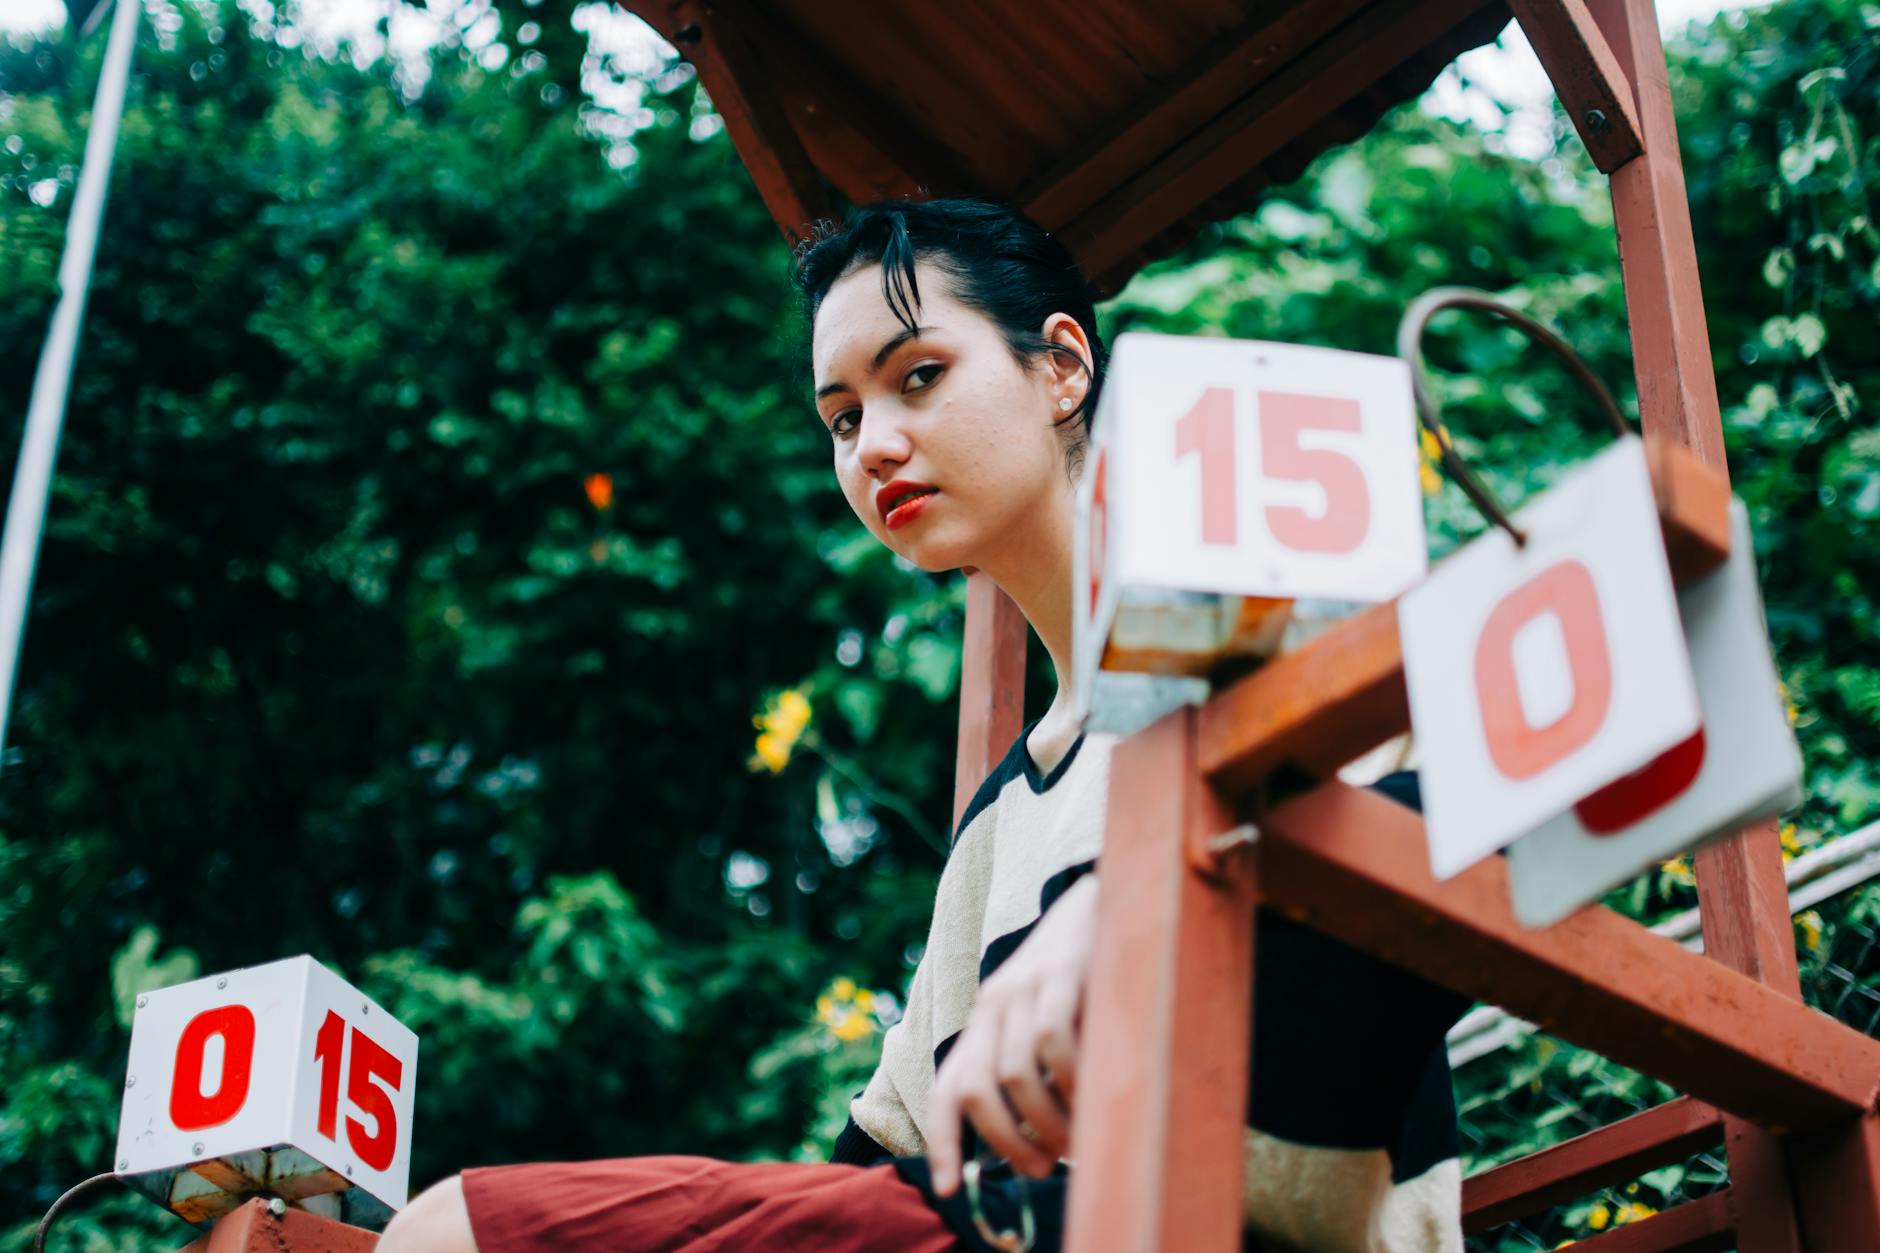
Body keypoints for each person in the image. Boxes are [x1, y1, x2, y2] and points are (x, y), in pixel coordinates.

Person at [376, 197, 1468, 1252]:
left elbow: (1440, 836)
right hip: (1008, 1224)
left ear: (1061, 367)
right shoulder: (998, 831)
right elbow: (875, 1162)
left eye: (919, 376)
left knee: (459, 1231)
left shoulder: (1278, 624)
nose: (873, 446)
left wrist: (1135, 899)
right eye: (843, 417)